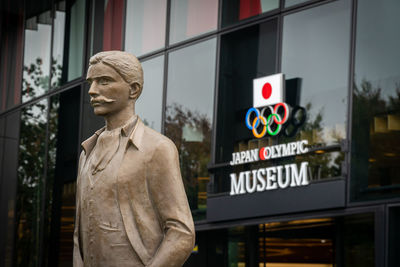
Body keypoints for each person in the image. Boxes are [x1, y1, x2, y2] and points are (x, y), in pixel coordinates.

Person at [73, 51, 195, 267]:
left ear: (133, 89)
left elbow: (181, 232)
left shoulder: (157, 148)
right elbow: (78, 235)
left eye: (104, 81)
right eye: (92, 82)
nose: (92, 91)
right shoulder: (86, 153)